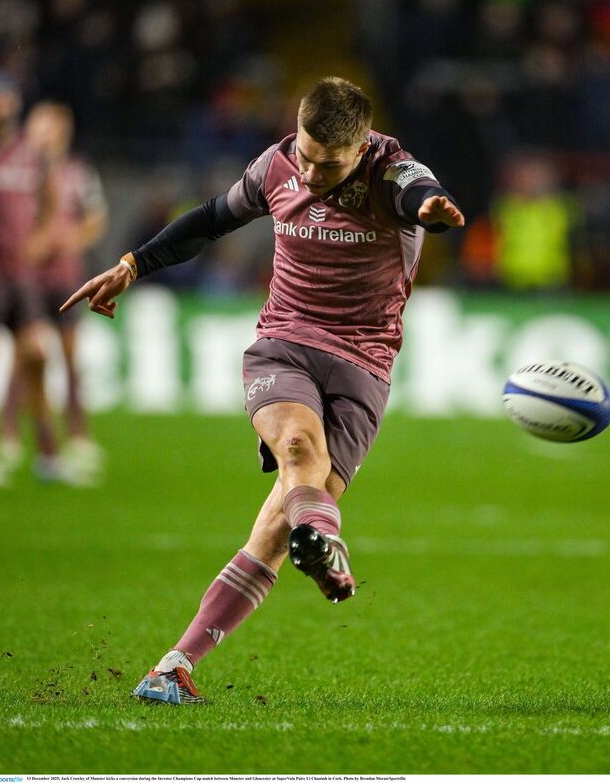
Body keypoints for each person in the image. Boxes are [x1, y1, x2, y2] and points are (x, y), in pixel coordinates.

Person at [61, 77, 465, 704]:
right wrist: (132, 264)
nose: (310, 173)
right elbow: (210, 220)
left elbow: (420, 192)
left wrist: (433, 210)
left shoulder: (391, 172)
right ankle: (329, 544)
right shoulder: (275, 166)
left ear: (361, 148)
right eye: (305, 155)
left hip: (363, 365)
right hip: (284, 344)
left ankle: (172, 668)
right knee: (299, 449)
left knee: (276, 532)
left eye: (328, 165)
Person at [17, 101, 108, 480]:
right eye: (42, 129)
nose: (48, 137)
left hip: (64, 278)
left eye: (54, 129)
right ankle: (16, 438)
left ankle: (73, 435)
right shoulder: (16, 170)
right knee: (27, 357)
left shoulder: (78, 172)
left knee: (66, 358)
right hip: (22, 278)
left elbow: (95, 217)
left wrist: (73, 240)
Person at [0, 73, 63, 486]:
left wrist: (41, 238)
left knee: (36, 355)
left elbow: (51, 202)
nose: (1, 106)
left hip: (21, 276)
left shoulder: (29, 154)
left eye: (5, 98)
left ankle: (48, 454)